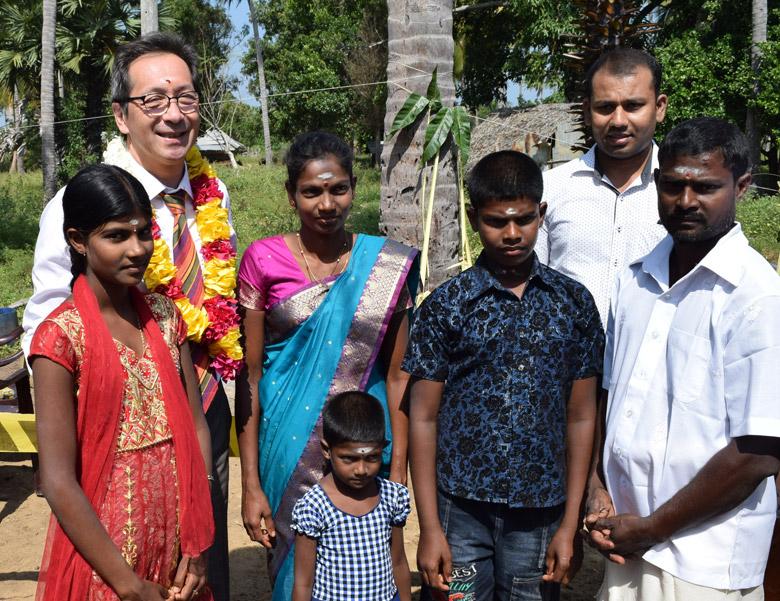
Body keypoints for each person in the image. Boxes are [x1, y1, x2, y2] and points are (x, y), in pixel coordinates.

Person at [21, 33, 235, 600]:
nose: (173, 115)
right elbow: (47, 323)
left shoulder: (213, 196)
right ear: (120, 114)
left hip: (201, 403)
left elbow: (216, 303)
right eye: (154, 101)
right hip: (105, 424)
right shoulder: (79, 202)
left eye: (185, 98)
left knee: (200, 558)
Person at [584, 117, 780, 600]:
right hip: (625, 543)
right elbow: (611, 396)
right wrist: (597, 488)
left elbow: (758, 452)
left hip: (705, 561)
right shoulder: (635, 281)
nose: (687, 201)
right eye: (672, 185)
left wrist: (653, 527)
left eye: (707, 187)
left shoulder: (756, 296)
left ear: (742, 186)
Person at [403, 150, 605, 601]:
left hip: (541, 515)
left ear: (542, 214)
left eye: (524, 219)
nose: (512, 233)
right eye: (497, 221)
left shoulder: (573, 305)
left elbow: (581, 417)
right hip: (461, 512)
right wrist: (431, 528)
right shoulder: (447, 306)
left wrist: (569, 525)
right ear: (474, 219)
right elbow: (423, 418)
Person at [235, 131, 418, 601]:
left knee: (369, 563)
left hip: (364, 439)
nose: (326, 203)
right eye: (312, 191)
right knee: (290, 564)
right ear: (291, 195)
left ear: (354, 187)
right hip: (283, 437)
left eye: (338, 188)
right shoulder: (262, 259)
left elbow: (399, 374)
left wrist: (397, 468)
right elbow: (251, 375)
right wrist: (250, 484)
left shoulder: (386, 263)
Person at [29, 164, 214, 601]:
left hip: (178, 552)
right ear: (77, 240)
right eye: (116, 236)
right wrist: (128, 585)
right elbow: (57, 480)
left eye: (143, 232)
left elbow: (196, 425)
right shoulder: (60, 338)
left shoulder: (167, 317)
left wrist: (198, 537)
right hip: (107, 568)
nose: (137, 249)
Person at [538, 47, 669, 325]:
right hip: (569, 365)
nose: (618, 121)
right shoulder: (551, 189)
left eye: (633, 106)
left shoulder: (683, 193)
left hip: (657, 365)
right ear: (587, 111)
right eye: (605, 107)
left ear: (659, 108)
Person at [290, 391, 412, 601]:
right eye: (349, 459)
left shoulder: (392, 496)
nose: (361, 470)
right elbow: (303, 581)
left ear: (383, 448)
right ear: (327, 450)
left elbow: (399, 561)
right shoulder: (313, 507)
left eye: (372, 457)